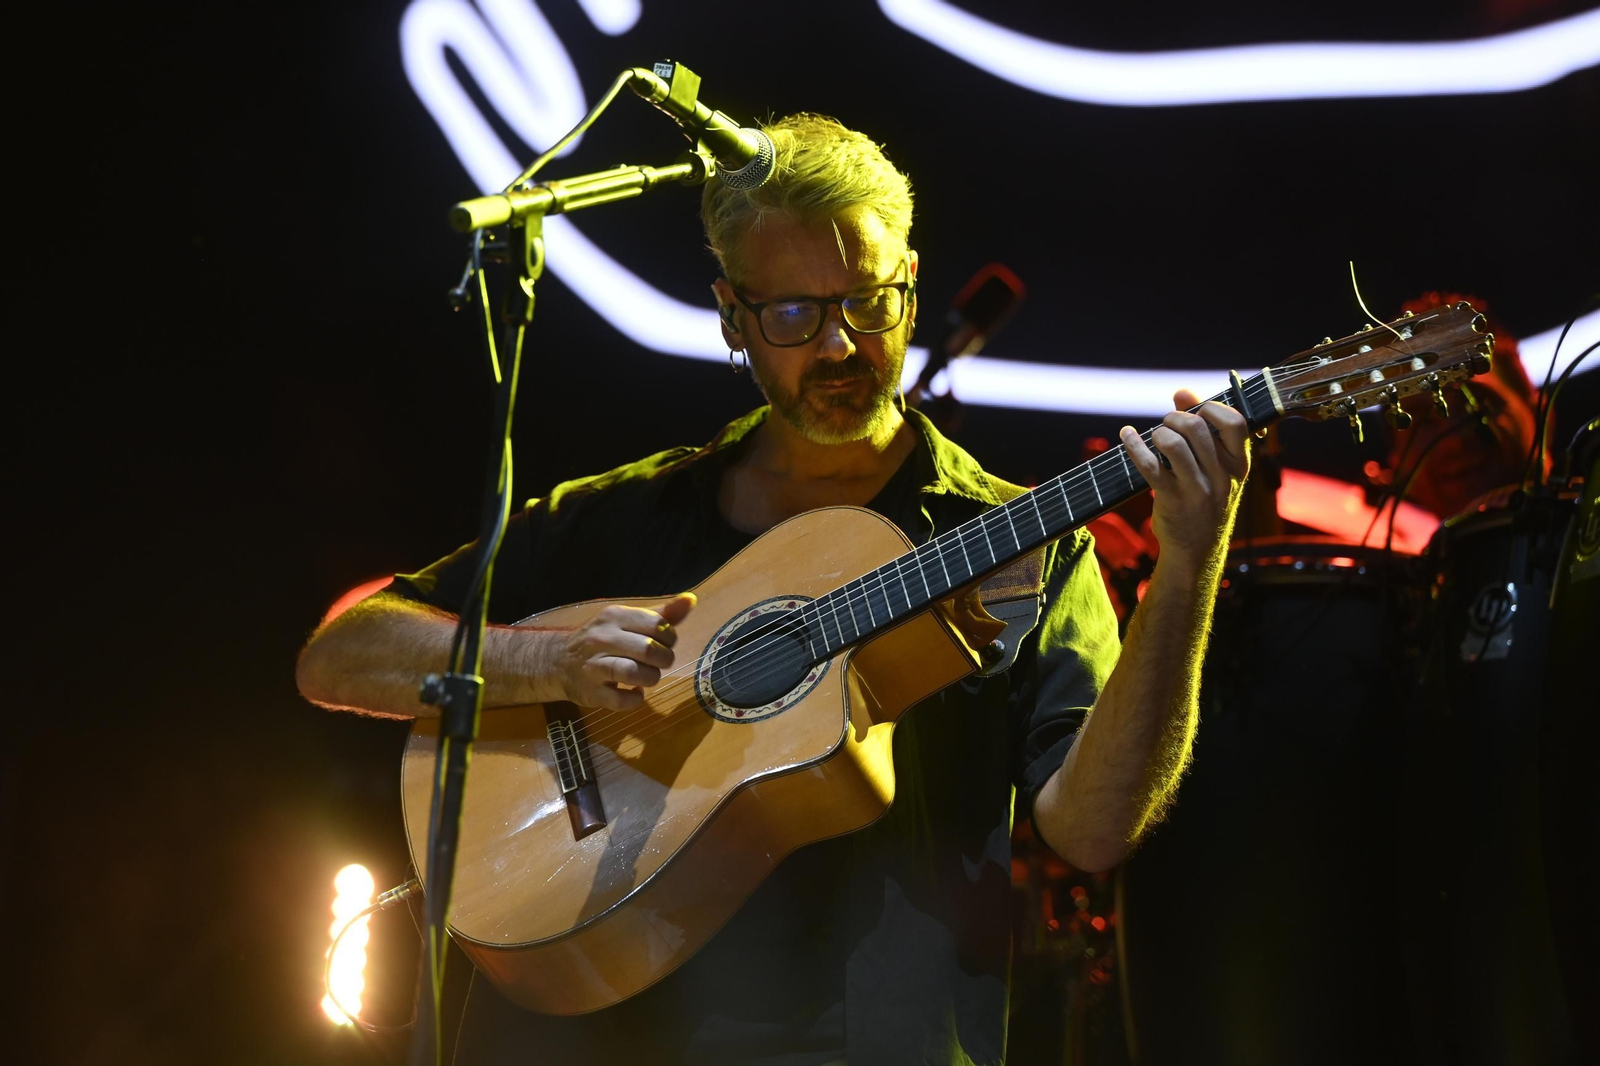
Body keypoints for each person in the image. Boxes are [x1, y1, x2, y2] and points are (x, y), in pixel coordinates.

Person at [296, 113, 1250, 1065]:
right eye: (792, 314)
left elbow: (1092, 830)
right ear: (730, 315)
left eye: (866, 303)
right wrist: (544, 660)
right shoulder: (624, 517)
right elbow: (342, 652)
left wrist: (1188, 566)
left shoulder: (1023, 543)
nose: (838, 346)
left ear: (910, 289)